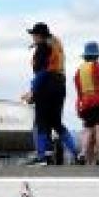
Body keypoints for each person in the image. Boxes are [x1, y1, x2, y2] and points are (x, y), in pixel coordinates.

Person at [21, 22, 79, 166]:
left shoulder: (42, 48)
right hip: (60, 85)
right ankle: (76, 153)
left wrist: (32, 91)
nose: (33, 38)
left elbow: (42, 72)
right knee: (56, 122)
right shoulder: (55, 43)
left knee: (41, 121)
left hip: (47, 85)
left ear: (39, 36)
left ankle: (42, 157)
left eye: (34, 35)